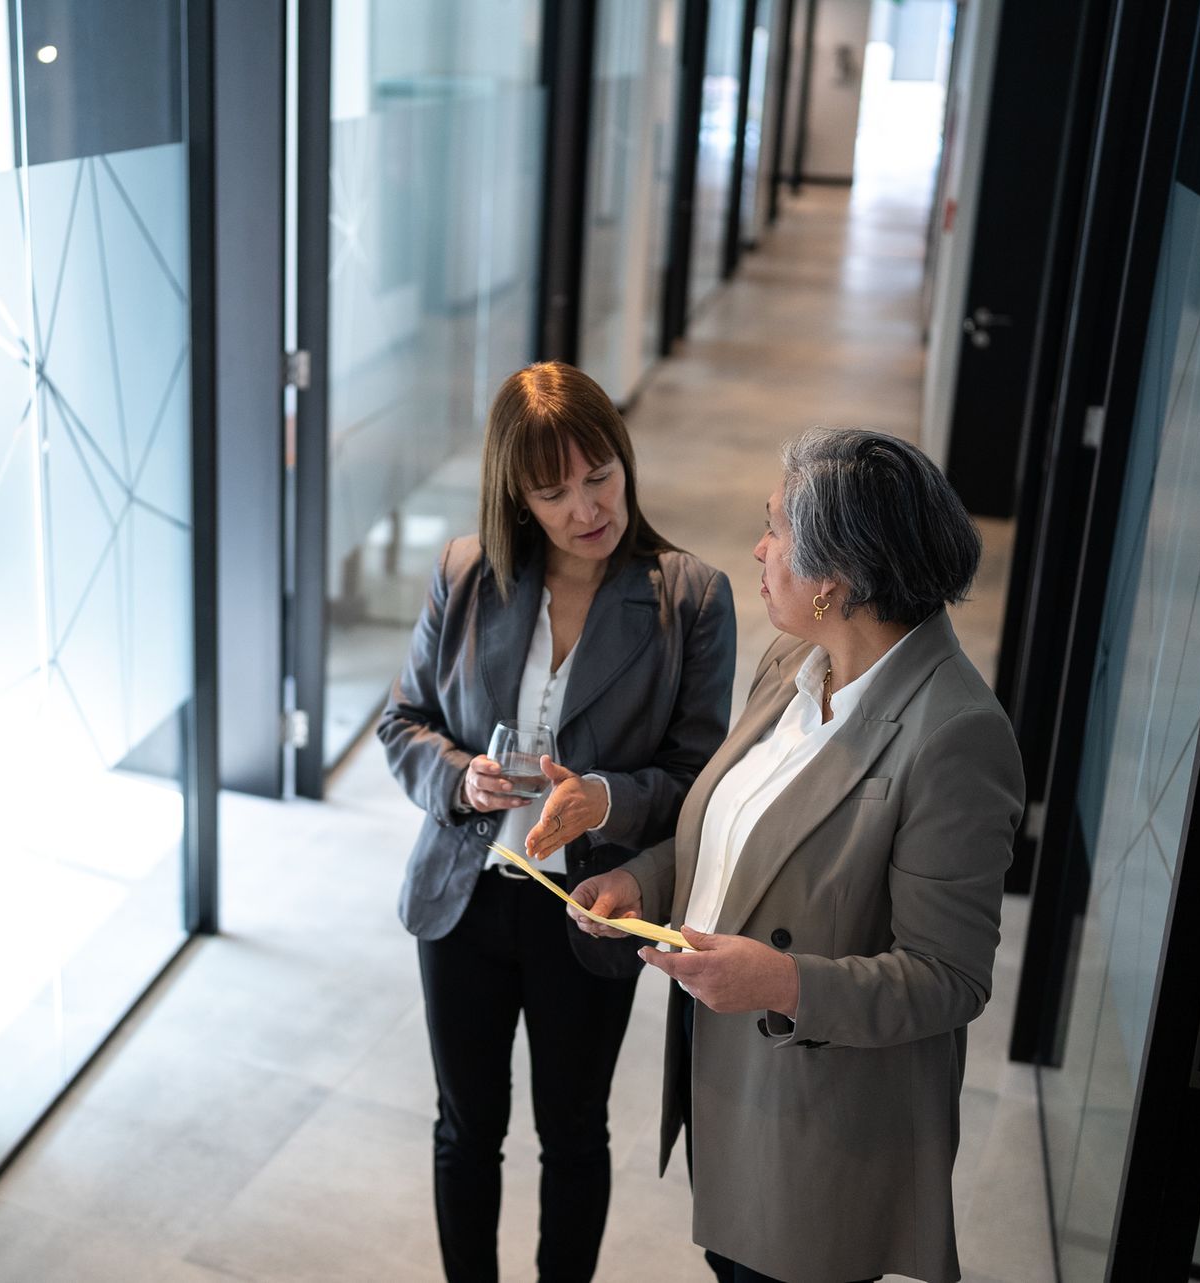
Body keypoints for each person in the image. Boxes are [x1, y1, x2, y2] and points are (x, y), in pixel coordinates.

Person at [569, 428, 1024, 1283]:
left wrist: (781, 982)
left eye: (776, 530)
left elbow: (948, 977)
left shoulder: (957, 737)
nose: (759, 548)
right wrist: (645, 878)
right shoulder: (792, 659)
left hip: (823, 1135)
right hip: (735, 1094)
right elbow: (736, 831)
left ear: (837, 583)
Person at [377, 361, 736, 1283]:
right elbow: (401, 723)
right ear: (518, 499)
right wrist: (463, 779)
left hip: (590, 904)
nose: (588, 507)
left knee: (573, 1134)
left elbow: (699, 781)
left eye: (601, 474)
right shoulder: (466, 574)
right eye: (555, 491)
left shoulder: (687, 598)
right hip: (464, 897)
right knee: (465, 1129)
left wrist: (607, 797)